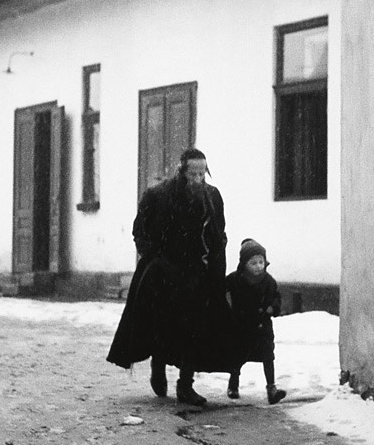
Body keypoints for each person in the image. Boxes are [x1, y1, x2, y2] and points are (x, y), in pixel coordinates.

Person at [106, 148, 230, 407]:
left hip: (199, 273)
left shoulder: (212, 197)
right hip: (165, 273)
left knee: (195, 329)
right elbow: (140, 231)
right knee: (164, 324)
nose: (198, 179)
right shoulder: (158, 195)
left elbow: (219, 231)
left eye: (201, 173)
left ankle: (186, 385)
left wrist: (215, 261)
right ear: (182, 171)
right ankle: (158, 366)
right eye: (192, 173)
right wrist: (156, 258)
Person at [224, 238, 286, 405]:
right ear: (244, 264)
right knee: (238, 356)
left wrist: (273, 307)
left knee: (268, 355)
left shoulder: (268, 281)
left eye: (261, 261)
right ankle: (234, 383)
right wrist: (227, 305)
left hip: (262, 326)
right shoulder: (235, 280)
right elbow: (223, 289)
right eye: (253, 263)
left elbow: (276, 297)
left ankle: (271, 388)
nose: (259, 266)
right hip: (241, 326)